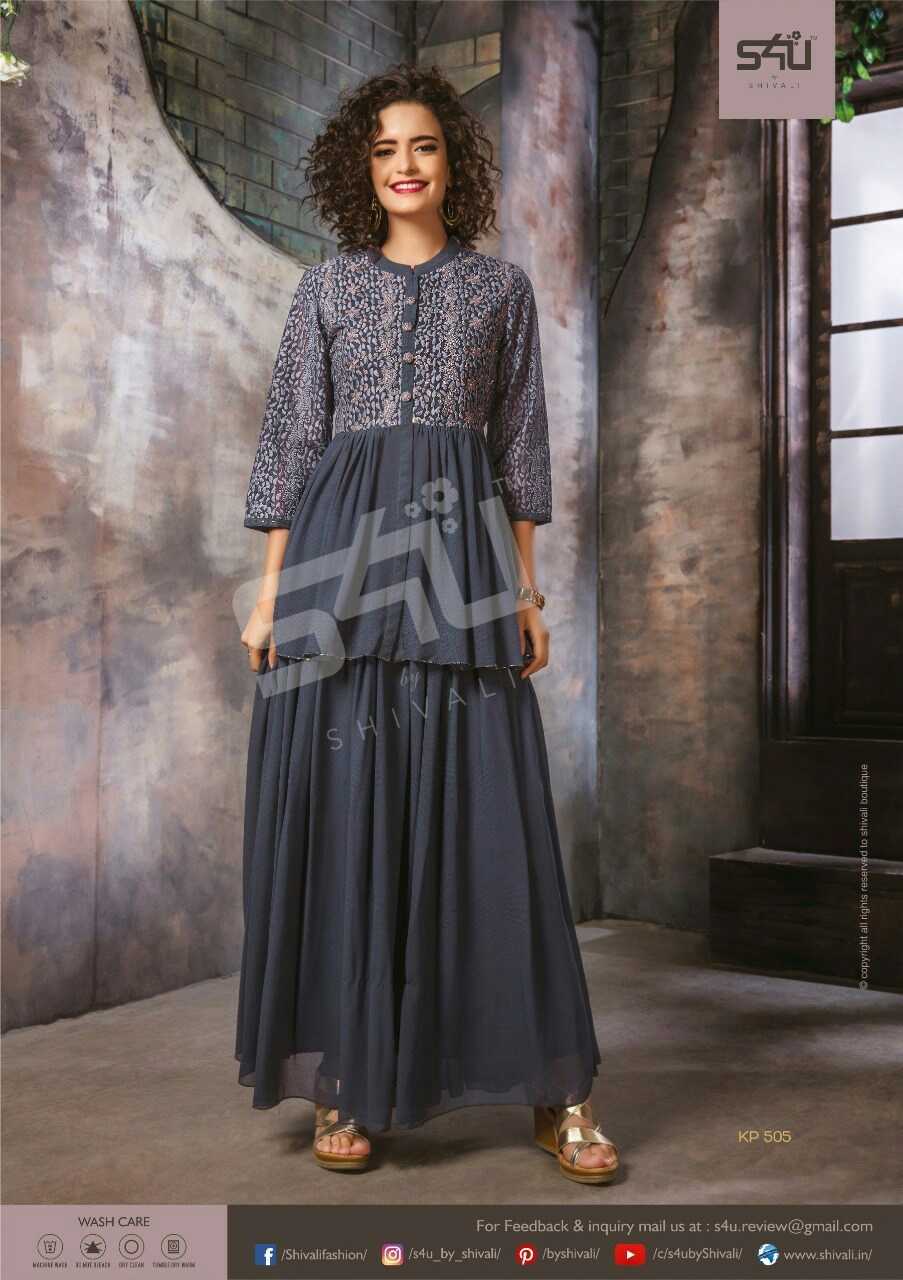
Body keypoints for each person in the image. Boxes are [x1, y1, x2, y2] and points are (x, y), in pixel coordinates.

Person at [235, 62, 618, 1186]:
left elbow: (520, 451)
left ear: (454, 160)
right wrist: (268, 592)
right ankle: (348, 1078)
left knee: (492, 818)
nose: (404, 166)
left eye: (424, 146)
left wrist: (528, 592)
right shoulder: (325, 290)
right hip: (336, 566)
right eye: (383, 150)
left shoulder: (500, 291)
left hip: (463, 567)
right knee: (345, 812)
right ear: (360, 169)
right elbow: (290, 443)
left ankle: (555, 1089)